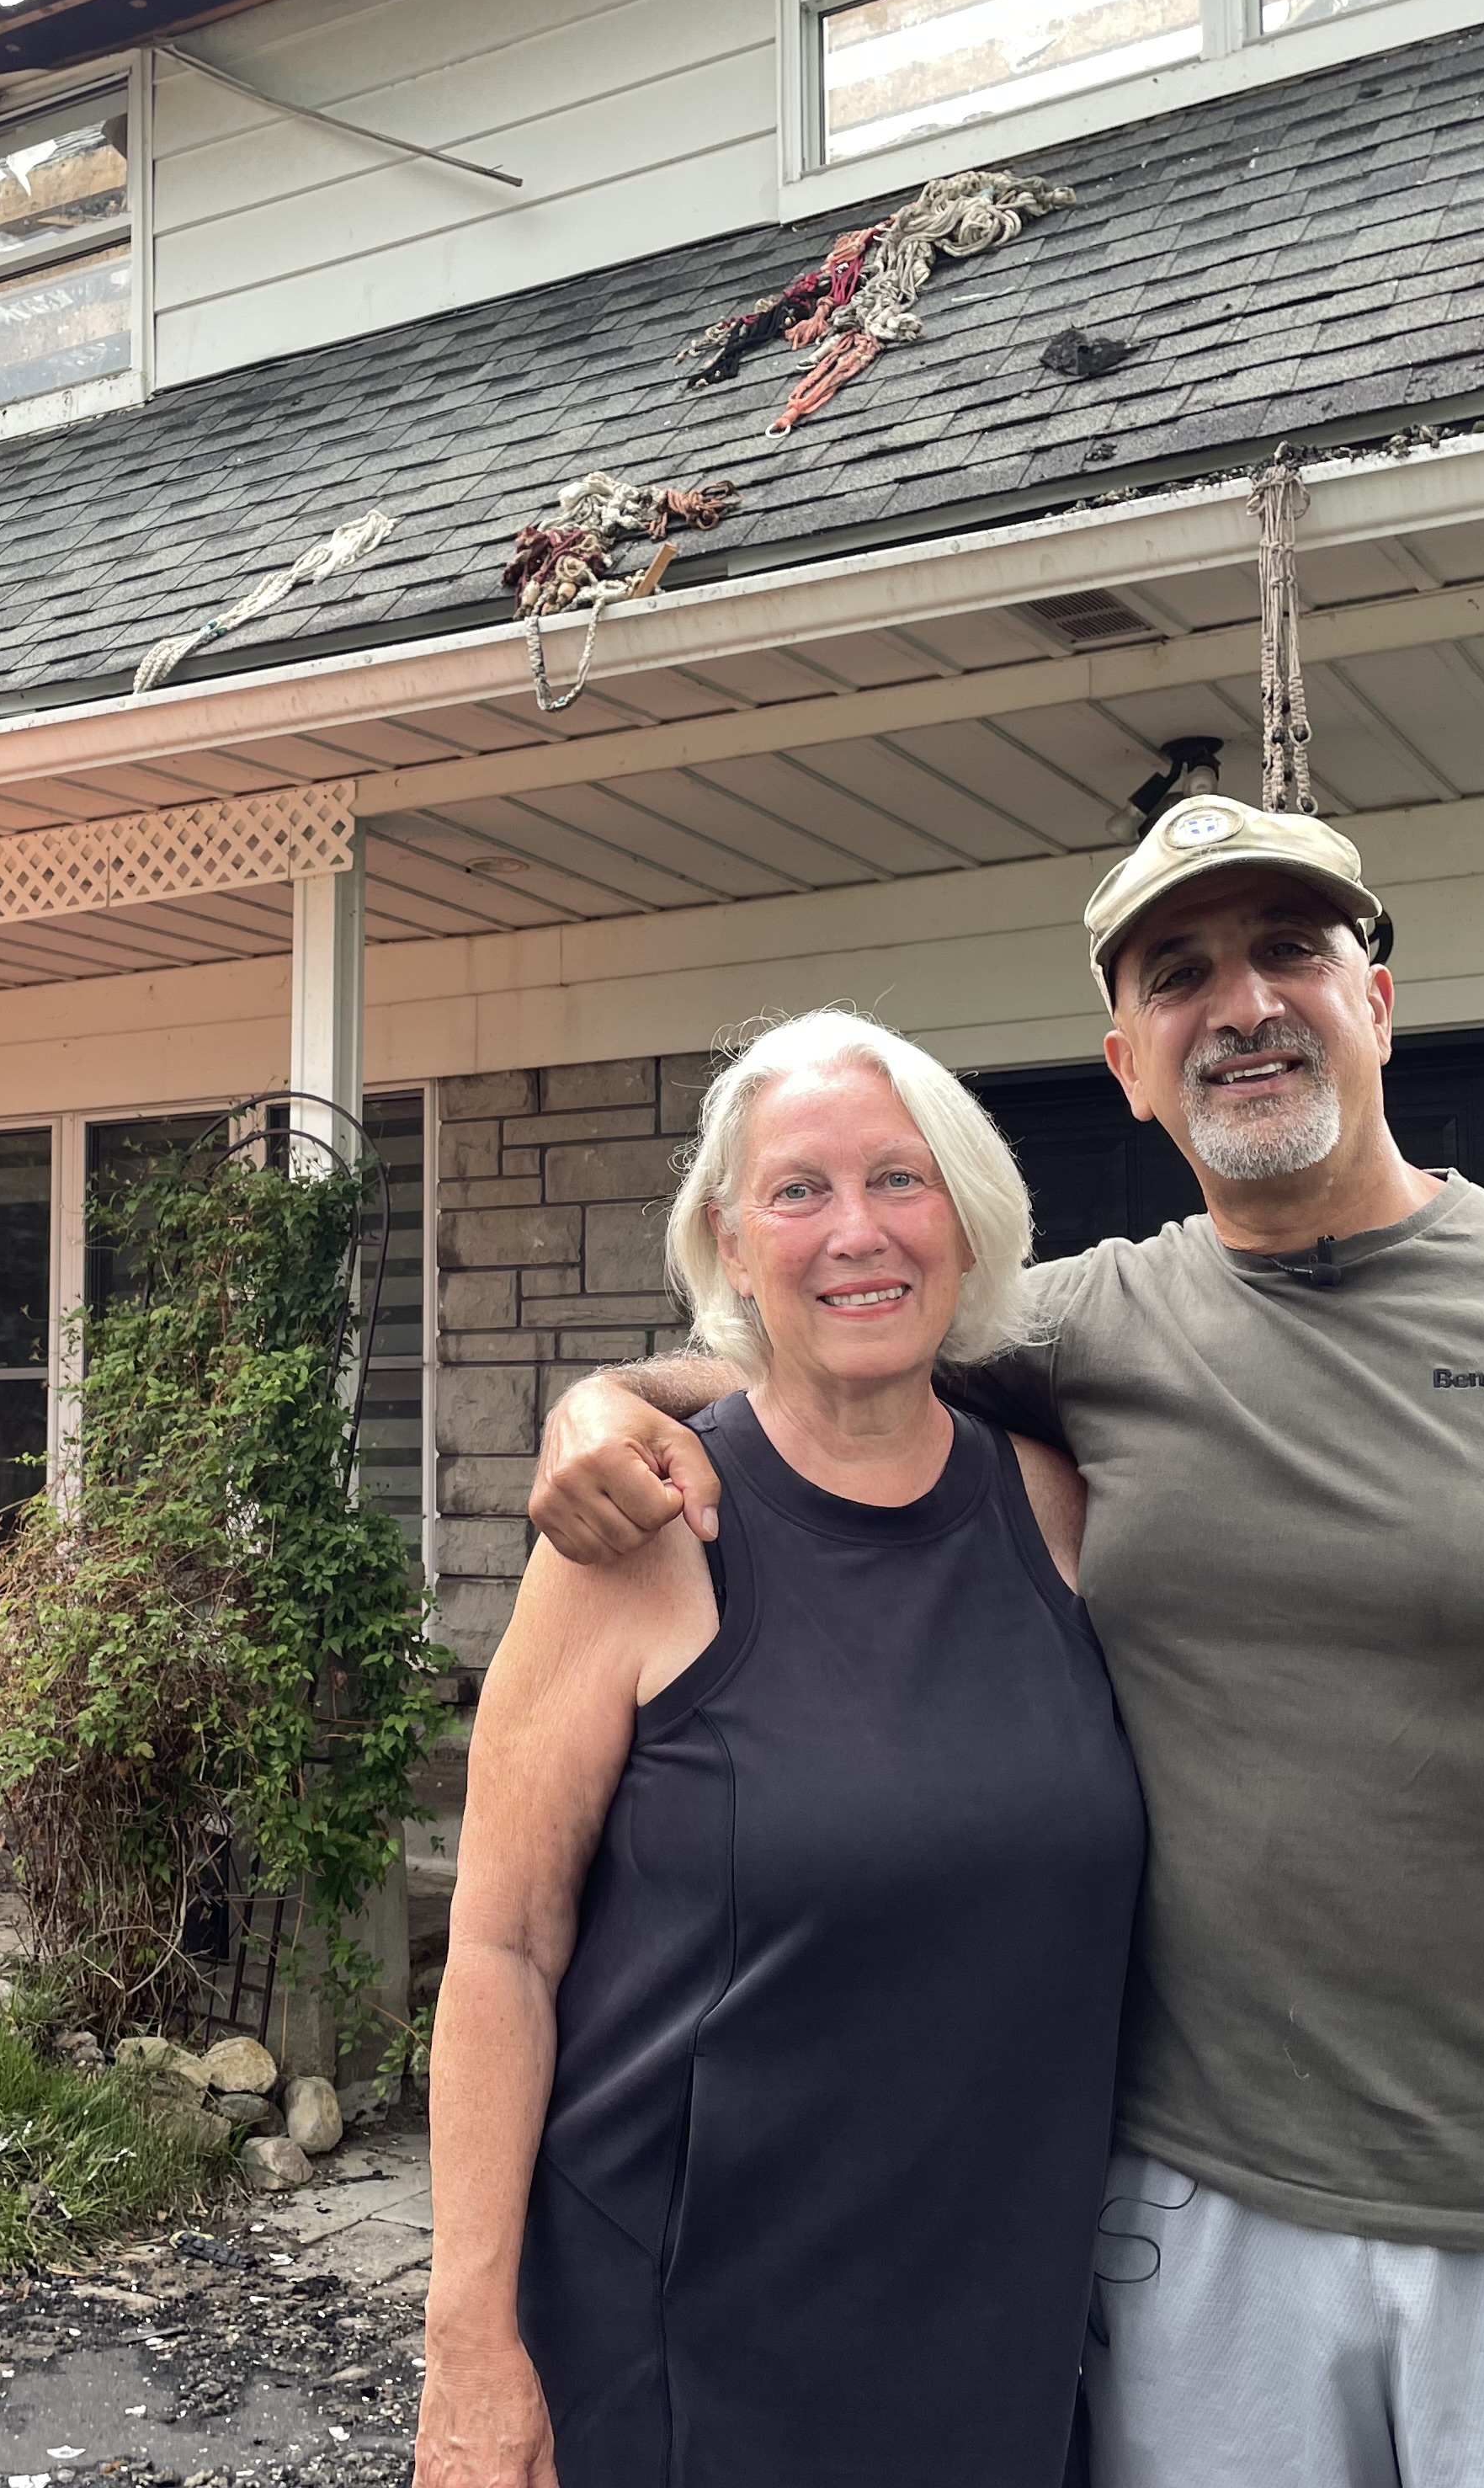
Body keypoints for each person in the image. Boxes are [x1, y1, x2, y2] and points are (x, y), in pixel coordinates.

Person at [526, 796, 1484, 2488]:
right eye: (1180, 973)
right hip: (1198, 2231)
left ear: (1377, 1002)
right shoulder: (1087, 1330)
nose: (1244, 1003)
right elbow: (831, 1342)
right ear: (1128, 1063)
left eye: (1291, 951)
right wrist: (602, 1400)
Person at [416, 1010, 1147, 2488]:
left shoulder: (1067, 1512)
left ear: (967, 1221)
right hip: (682, 2343)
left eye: (900, 1179)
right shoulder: (641, 1535)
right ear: (732, 1247)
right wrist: (470, 2344)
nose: (855, 1231)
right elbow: (501, 1949)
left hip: (997, 2330)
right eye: (797, 1190)